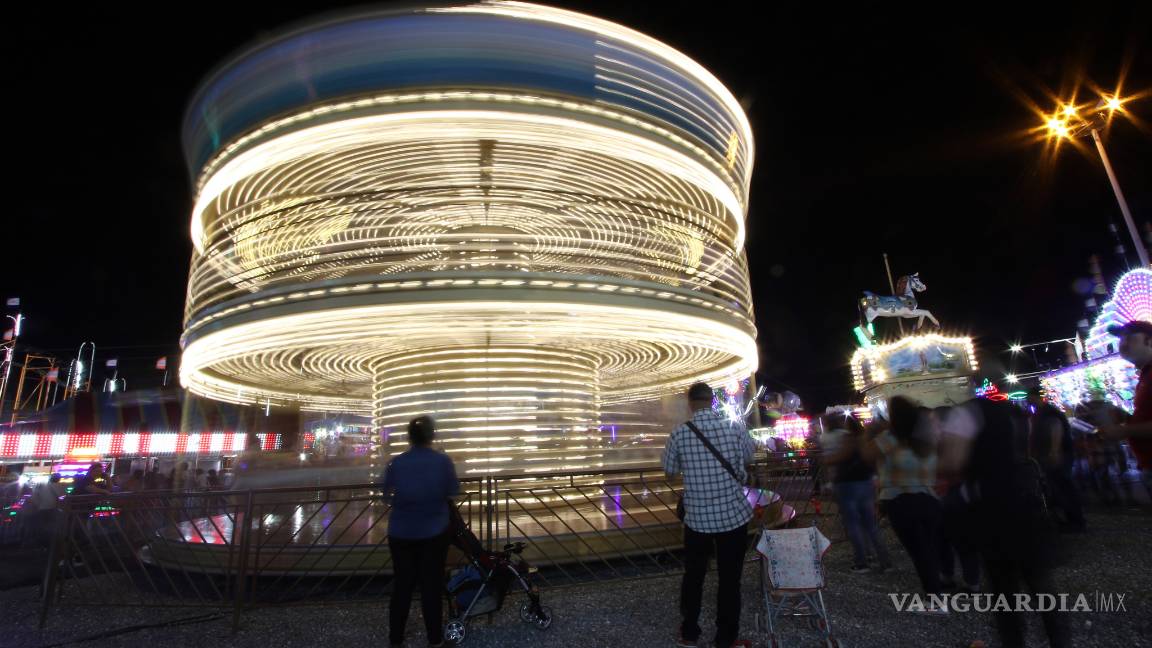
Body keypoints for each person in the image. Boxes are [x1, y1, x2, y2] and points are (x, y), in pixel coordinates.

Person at [939, 398, 1068, 648]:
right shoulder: (1014, 412)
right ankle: (1059, 640)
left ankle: (1015, 640)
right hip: (1026, 501)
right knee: (1040, 583)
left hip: (992, 508)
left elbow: (954, 461)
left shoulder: (966, 412)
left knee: (1004, 588)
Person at [663, 382, 756, 648]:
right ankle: (726, 638)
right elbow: (749, 455)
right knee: (730, 580)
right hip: (732, 517)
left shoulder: (680, 433)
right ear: (712, 401)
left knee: (694, 577)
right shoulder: (734, 427)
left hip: (698, 520)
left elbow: (669, 470)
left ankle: (690, 633)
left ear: (690, 403)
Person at [378, 415, 460, 648]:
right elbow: (453, 490)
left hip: (400, 533)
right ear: (432, 435)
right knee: (431, 586)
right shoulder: (442, 462)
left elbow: (385, 495)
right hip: (434, 532)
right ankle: (434, 639)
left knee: (402, 586)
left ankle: (396, 639)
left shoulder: (396, 463)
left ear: (409, 437)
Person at [860, 397, 944, 610]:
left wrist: (873, 430)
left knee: (918, 550)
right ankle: (938, 584)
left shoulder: (890, 438)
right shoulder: (926, 438)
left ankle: (934, 597)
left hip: (901, 499)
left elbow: (867, 454)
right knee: (930, 546)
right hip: (929, 497)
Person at [822, 412, 891, 573]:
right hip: (865, 481)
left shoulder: (848, 438)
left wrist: (827, 460)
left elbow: (838, 457)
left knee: (853, 524)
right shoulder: (866, 439)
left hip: (848, 483)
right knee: (870, 523)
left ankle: (862, 562)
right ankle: (884, 560)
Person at [1097, 320, 1152, 494]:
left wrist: (1124, 431)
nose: (1123, 343)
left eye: (1129, 337)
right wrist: (1128, 419)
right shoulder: (1145, 376)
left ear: (1149, 341)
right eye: (1121, 339)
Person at [933, 407, 980, 593]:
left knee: (958, 538)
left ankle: (967, 580)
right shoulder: (953, 436)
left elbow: (952, 463)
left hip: (954, 491)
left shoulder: (950, 438)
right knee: (949, 537)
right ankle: (957, 577)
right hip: (950, 491)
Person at [1027, 388, 1086, 531]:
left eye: (1030, 398)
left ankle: (1075, 521)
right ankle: (1070, 519)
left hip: (1059, 454)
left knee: (1063, 486)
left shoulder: (1048, 412)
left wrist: (1054, 451)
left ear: (1035, 397)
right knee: (1059, 486)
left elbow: (1056, 428)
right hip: (1054, 453)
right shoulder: (1043, 412)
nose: (1029, 401)